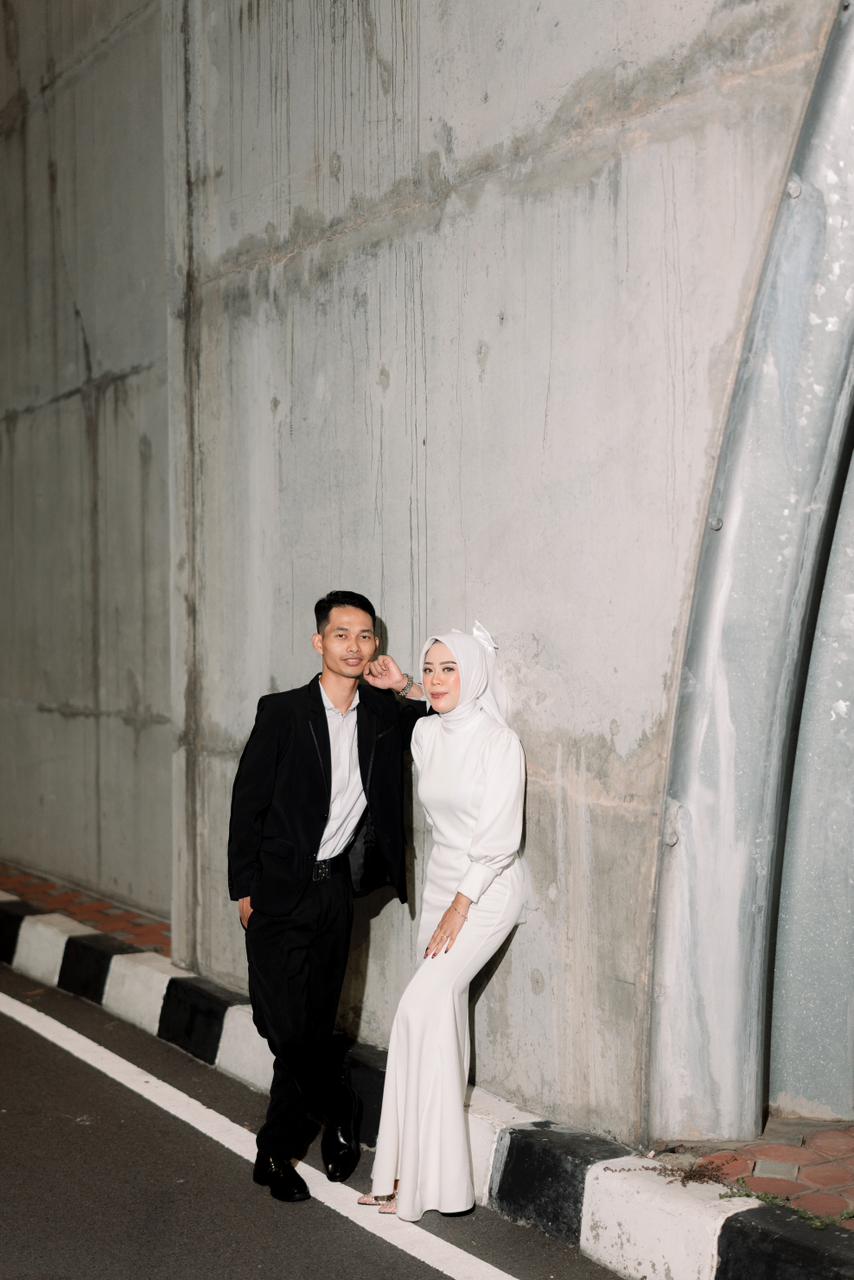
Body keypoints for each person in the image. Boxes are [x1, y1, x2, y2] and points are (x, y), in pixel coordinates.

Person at [227, 590, 426, 1204]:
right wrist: (243, 887)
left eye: (365, 636)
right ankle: (338, 1105)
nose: (354, 646)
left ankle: (275, 1153)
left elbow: (442, 717)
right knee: (280, 1025)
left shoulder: (383, 714)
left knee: (312, 1025)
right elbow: (248, 803)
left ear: (375, 645)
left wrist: (405, 686)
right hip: (276, 893)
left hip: (335, 894)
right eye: (342, 635)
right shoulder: (283, 712)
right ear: (319, 642)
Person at [359, 624, 527, 1222]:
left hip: (486, 889)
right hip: (441, 886)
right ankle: (425, 1180)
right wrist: (405, 685)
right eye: (430, 669)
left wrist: (461, 906)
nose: (436, 679)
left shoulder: (500, 743)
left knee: (417, 1009)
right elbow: (423, 712)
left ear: (474, 674)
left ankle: (411, 1177)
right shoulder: (426, 733)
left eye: (449, 668)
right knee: (440, 1018)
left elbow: (499, 843)